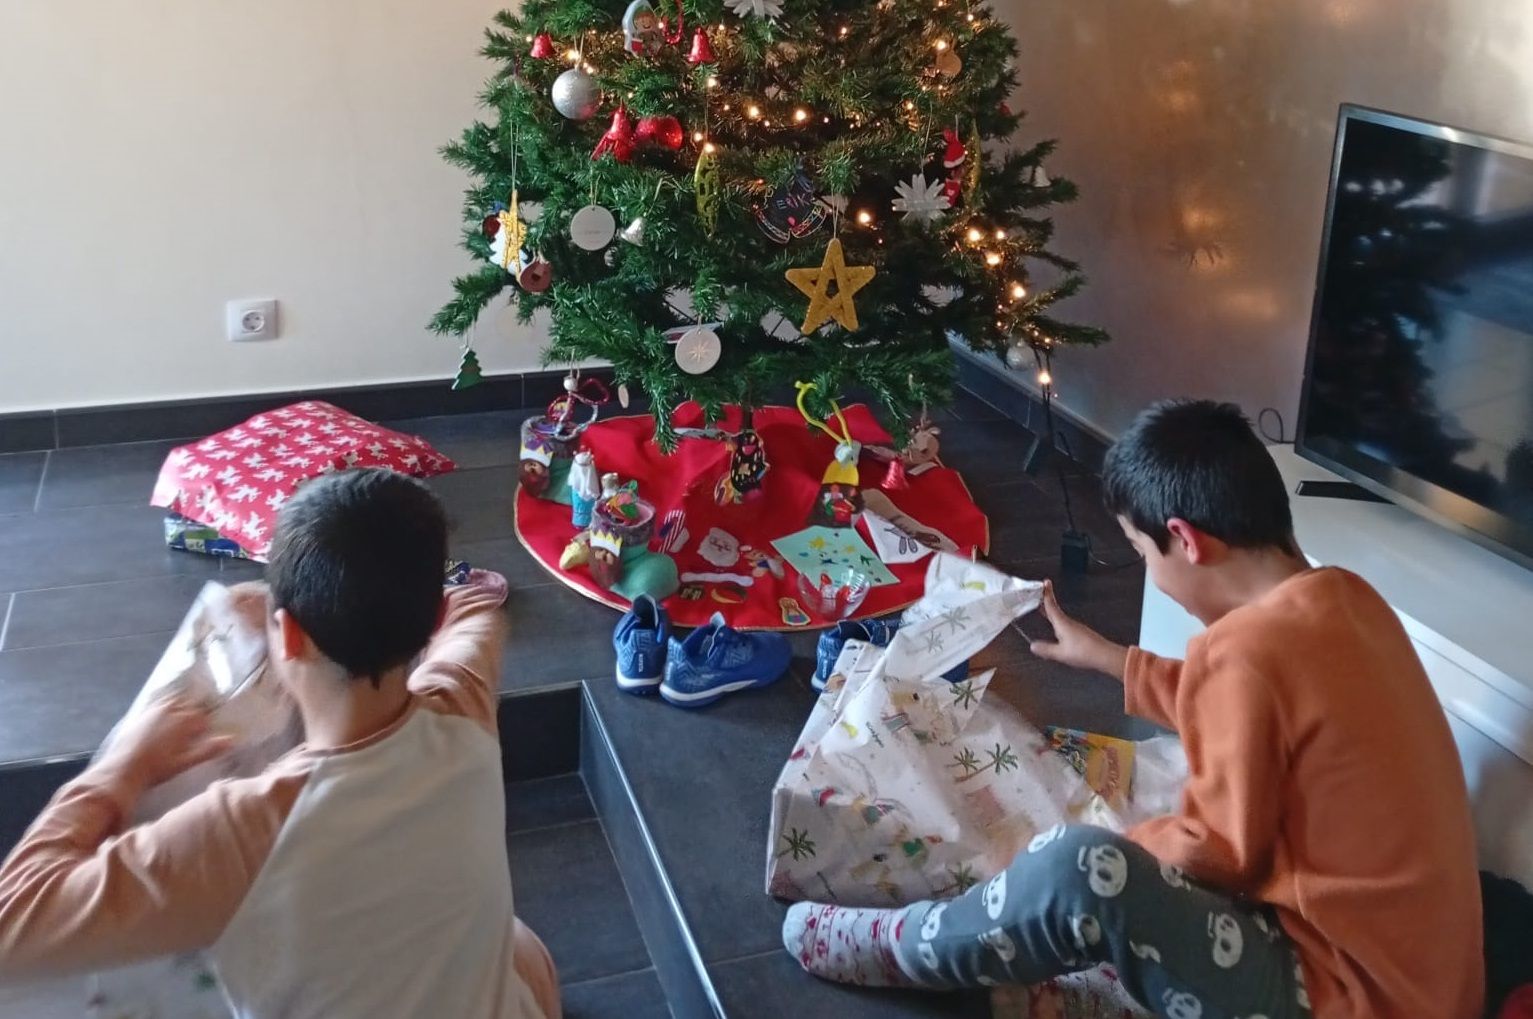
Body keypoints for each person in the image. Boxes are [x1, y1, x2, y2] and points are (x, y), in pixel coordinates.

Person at [781, 399, 1483, 1019]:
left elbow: (1222, 849)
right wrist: (1109, 657)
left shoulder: (1242, 653)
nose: (1152, 571)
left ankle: (897, 948)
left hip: (1342, 996)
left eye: (1143, 551)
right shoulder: (1342, 597)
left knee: (1077, 868)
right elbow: (1252, 715)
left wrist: (1120, 839)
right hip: (1427, 984)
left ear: (1184, 538)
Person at [0, 469, 560, 1019]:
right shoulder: (464, 704)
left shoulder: (242, 830)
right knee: (519, 946)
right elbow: (475, 614)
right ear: (429, 617)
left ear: (287, 635)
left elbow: (14, 923)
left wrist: (123, 765)